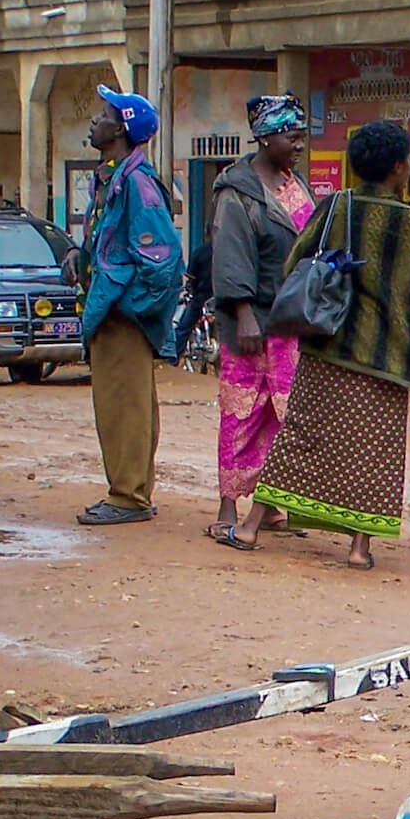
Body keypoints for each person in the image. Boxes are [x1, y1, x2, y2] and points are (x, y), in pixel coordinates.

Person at [213, 120, 410, 569]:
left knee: (299, 439)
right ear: (399, 168)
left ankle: (250, 526)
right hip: (385, 359)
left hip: (327, 350)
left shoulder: (335, 207)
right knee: (376, 454)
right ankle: (359, 549)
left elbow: (296, 261)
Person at [67, 86, 182, 526]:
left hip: (122, 315)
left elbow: (163, 259)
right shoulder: (114, 176)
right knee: (120, 406)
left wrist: (131, 306)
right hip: (111, 310)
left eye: (104, 114)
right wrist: (81, 256)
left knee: (125, 408)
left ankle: (129, 497)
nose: (95, 120)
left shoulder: (135, 182)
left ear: (121, 129)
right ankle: (129, 490)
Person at [206, 93, 315, 536]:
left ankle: (270, 505)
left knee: (282, 414)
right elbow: (229, 257)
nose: (300, 145)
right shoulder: (237, 192)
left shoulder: (295, 184)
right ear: (266, 137)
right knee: (241, 413)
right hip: (251, 323)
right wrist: (244, 312)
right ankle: (229, 507)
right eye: (293, 136)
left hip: (289, 321)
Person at [173, 230, 213, 363]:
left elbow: (191, 278)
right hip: (223, 297)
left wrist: (192, 289)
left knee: (183, 328)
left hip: (202, 297)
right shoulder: (230, 252)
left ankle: (173, 360)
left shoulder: (200, 252)